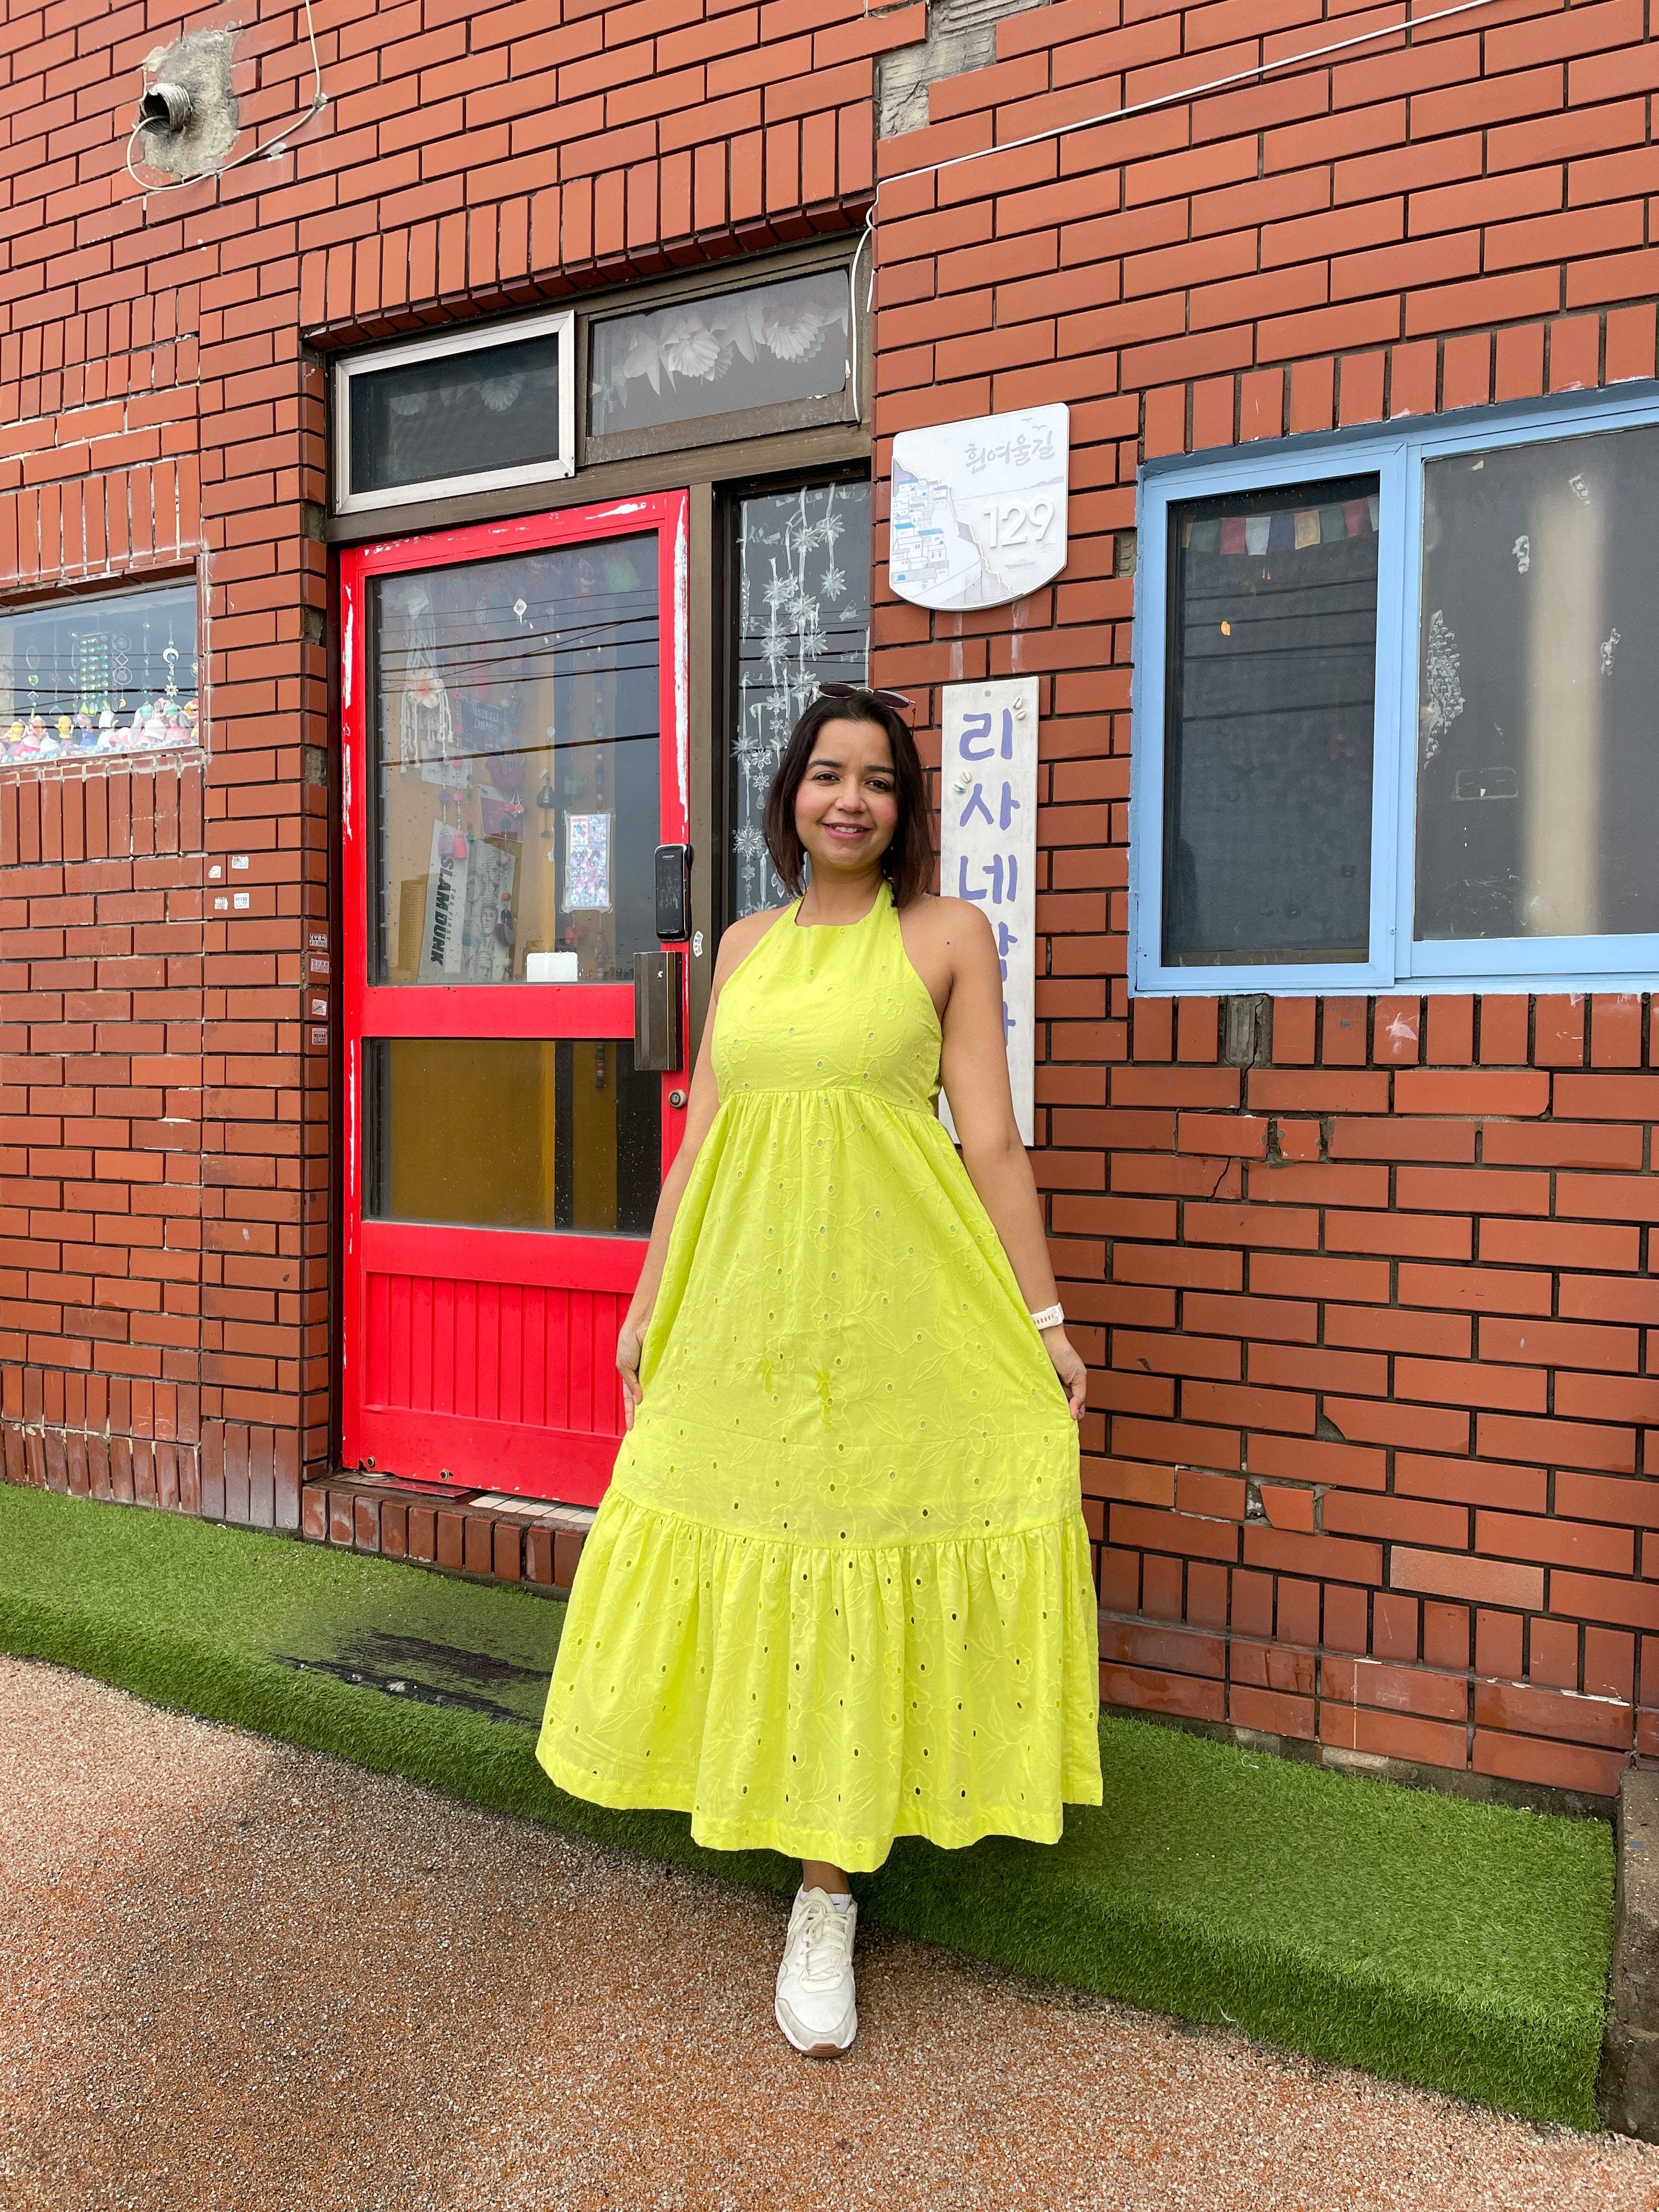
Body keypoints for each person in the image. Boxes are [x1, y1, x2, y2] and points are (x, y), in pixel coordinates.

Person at [537, 681, 1103, 2056]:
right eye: (825, 774)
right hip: (744, 1311)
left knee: (855, 1542)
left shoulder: (948, 938)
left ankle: (828, 1892)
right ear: (790, 795)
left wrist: (1042, 1324)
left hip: (895, 1315)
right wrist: (645, 1300)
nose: (849, 798)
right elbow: (701, 1146)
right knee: (742, 1530)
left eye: (880, 781)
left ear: (906, 809)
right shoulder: (740, 947)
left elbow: (992, 1147)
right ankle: (776, 1812)